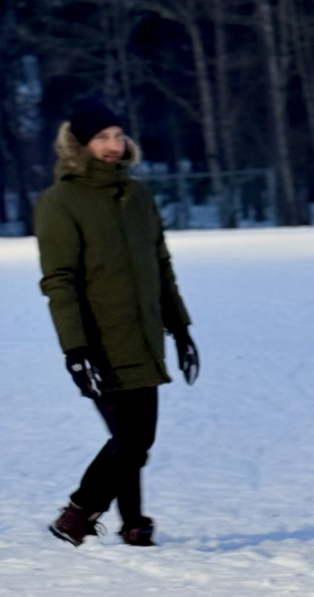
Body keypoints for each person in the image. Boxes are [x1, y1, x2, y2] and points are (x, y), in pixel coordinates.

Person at [35, 98, 199, 547]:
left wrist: (180, 328)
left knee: (131, 440)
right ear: (79, 145)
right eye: (101, 137)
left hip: (144, 336)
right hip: (99, 340)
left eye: (118, 135)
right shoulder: (60, 202)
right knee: (132, 438)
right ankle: (79, 512)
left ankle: (132, 522)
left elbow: (160, 264)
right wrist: (75, 350)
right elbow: (59, 281)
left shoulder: (137, 195)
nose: (113, 145)